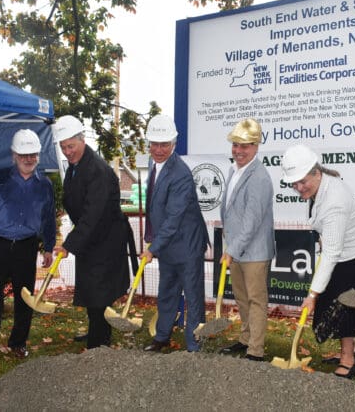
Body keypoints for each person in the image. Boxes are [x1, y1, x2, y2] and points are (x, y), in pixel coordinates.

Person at [281, 144, 355, 379]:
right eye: (294, 183)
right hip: (348, 251)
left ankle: (349, 359)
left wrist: (312, 295)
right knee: (337, 303)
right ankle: (352, 348)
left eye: (302, 181)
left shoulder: (334, 200)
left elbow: (332, 253)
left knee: (343, 305)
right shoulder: (320, 187)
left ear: (316, 172)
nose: (298, 188)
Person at [0, 129, 56, 362]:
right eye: (23, 154)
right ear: (14, 155)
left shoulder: (45, 185)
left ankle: (18, 343)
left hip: (26, 247)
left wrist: (49, 246)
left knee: (24, 297)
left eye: (33, 154)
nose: (28, 159)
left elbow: (48, 218)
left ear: (39, 155)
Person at [52, 115, 130, 349]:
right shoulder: (76, 167)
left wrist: (68, 244)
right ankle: (95, 331)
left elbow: (92, 215)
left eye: (71, 146)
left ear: (82, 140)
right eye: (64, 147)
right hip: (90, 240)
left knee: (99, 293)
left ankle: (100, 342)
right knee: (90, 289)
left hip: (105, 240)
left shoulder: (97, 170)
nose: (67, 151)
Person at [141, 114, 209, 353]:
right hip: (168, 247)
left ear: (174, 143)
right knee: (167, 292)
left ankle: (194, 346)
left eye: (164, 144)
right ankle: (161, 337)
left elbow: (173, 218)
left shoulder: (180, 173)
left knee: (193, 297)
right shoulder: (155, 165)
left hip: (187, 246)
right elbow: (155, 208)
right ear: (148, 143)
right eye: (155, 144)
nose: (159, 149)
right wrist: (153, 241)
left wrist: (153, 248)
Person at [217, 119, 275, 361]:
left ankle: (256, 350)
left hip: (254, 253)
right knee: (242, 299)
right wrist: (231, 248)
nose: (239, 151)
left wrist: (232, 250)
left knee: (256, 300)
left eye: (245, 146)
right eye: (235, 145)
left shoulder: (259, 177)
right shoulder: (234, 171)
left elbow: (251, 221)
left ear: (256, 147)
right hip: (237, 250)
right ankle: (245, 338)